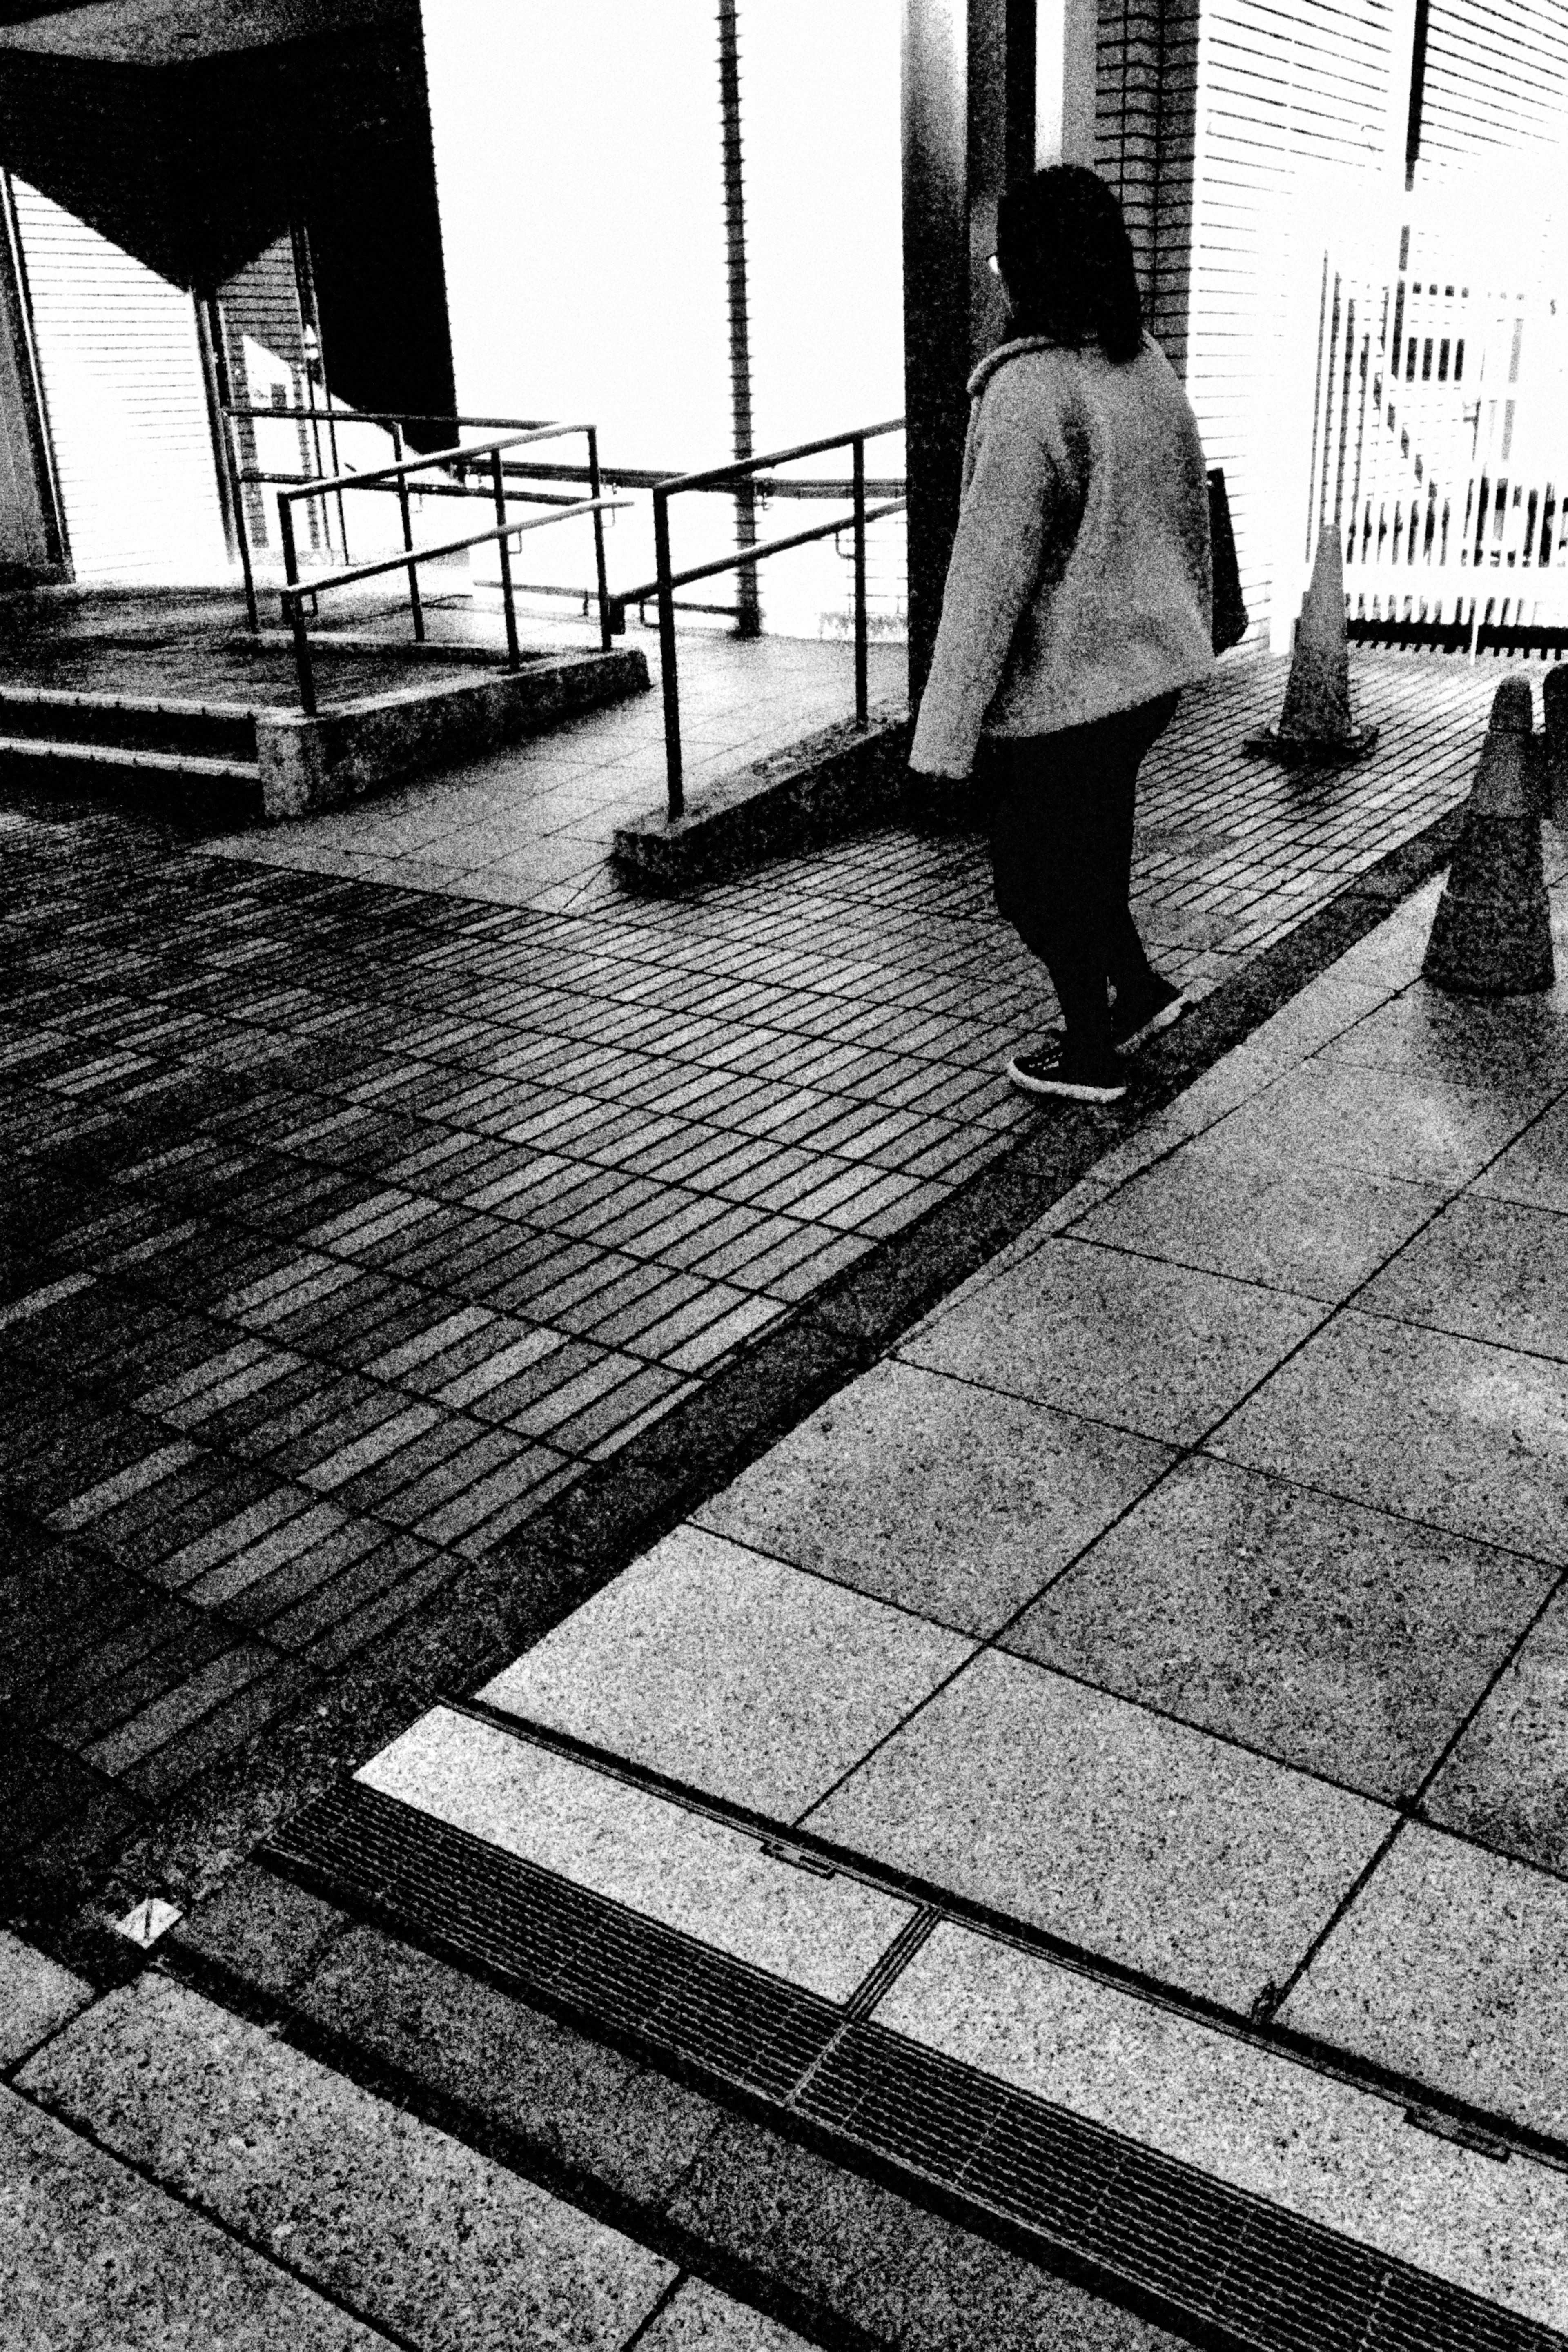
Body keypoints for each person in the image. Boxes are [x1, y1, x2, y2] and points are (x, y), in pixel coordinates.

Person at [909, 164, 1214, 1103]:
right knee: (1094, 847)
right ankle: (1143, 990)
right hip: (1143, 677)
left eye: (1005, 260)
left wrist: (941, 743)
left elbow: (987, 582)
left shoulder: (1029, 392)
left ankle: (1090, 1052)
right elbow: (1188, 511)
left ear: (1030, 268)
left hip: (1066, 686)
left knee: (1031, 885)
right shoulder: (1141, 361)